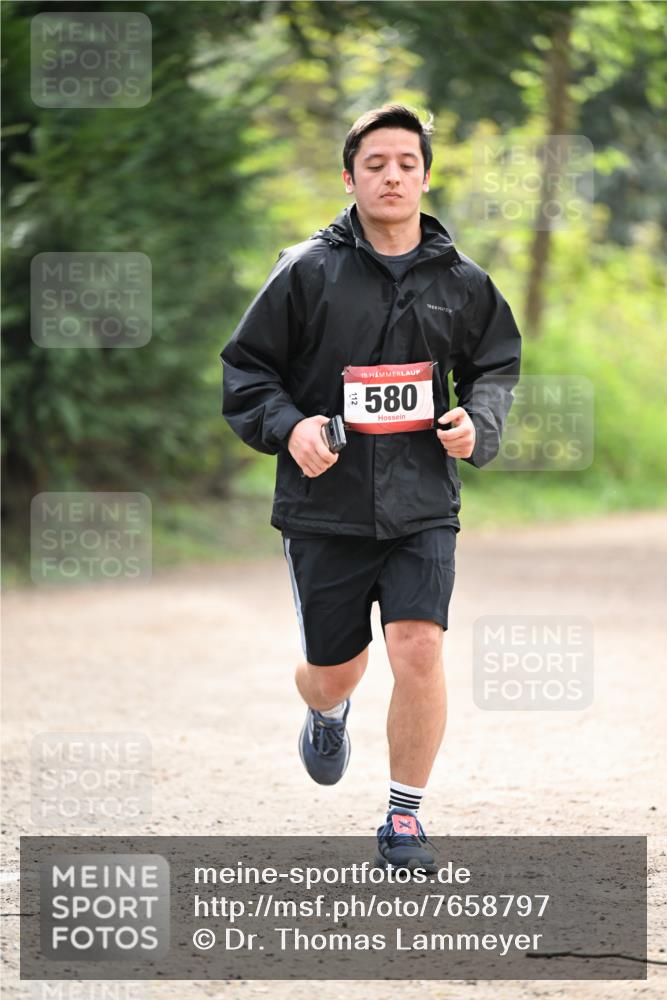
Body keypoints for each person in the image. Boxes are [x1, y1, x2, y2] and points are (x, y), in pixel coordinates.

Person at [221, 104, 521, 871]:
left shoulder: (462, 280)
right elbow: (248, 371)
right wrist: (289, 427)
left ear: (425, 175)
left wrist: (476, 424)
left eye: (406, 164)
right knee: (335, 668)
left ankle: (404, 819)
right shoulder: (305, 271)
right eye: (376, 163)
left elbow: (494, 367)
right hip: (324, 506)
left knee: (418, 647)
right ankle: (326, 710)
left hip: (423, 501)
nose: (392, 176)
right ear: (349, 176)